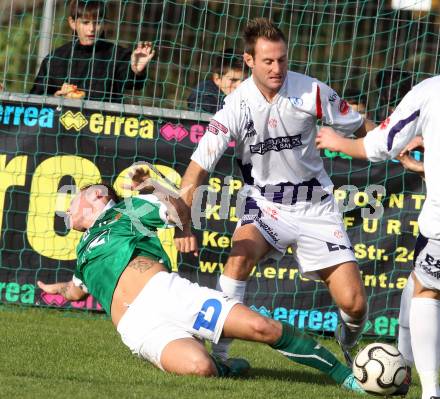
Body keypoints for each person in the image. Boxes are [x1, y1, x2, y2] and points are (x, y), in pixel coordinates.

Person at [37, 166, 364, 393]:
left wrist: (153, 185)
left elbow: (178, 209)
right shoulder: (83, 250)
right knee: (200, 368)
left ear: (96, 195)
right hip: (137, 328)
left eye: (73, 199)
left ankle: (345, 377)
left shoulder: (126, 212)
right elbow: (77, 291)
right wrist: (60, 290)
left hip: (166, 295)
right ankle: (222, 366)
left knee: (263, 329)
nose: (68, 207)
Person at [175, 18, 374, 365]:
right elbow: (198, 169)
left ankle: (348, 339)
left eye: (282, 59)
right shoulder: (236, 105)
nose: (277, 67)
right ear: (249, 60)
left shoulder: (311, 91)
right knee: (238, 258)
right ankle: (219, 356)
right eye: (268, 61)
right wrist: (184, 224)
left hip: (316, 207)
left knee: (354, 304)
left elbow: (360, 125)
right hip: (265, 204)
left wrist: (400, 150)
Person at [315, 75, 440, 399]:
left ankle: (429, 391)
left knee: (427, 292)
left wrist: (337, 141)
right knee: (416, 281)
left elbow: (379, 145)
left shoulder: (430, 91)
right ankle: (404, 363)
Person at [30, 0, 154, 102]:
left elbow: (134, 84)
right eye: (85, 22)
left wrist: (137, 71)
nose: (92, 29)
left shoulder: (118, 55)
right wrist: (55, 98)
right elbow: (36, 98)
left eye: (98, 22)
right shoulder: (56, 58)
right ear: (72, 23)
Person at [187, 49, 244, 113]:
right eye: (233, 80)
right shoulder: (205, 96)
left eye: (244, 80)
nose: (240, 85)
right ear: (217, 79)